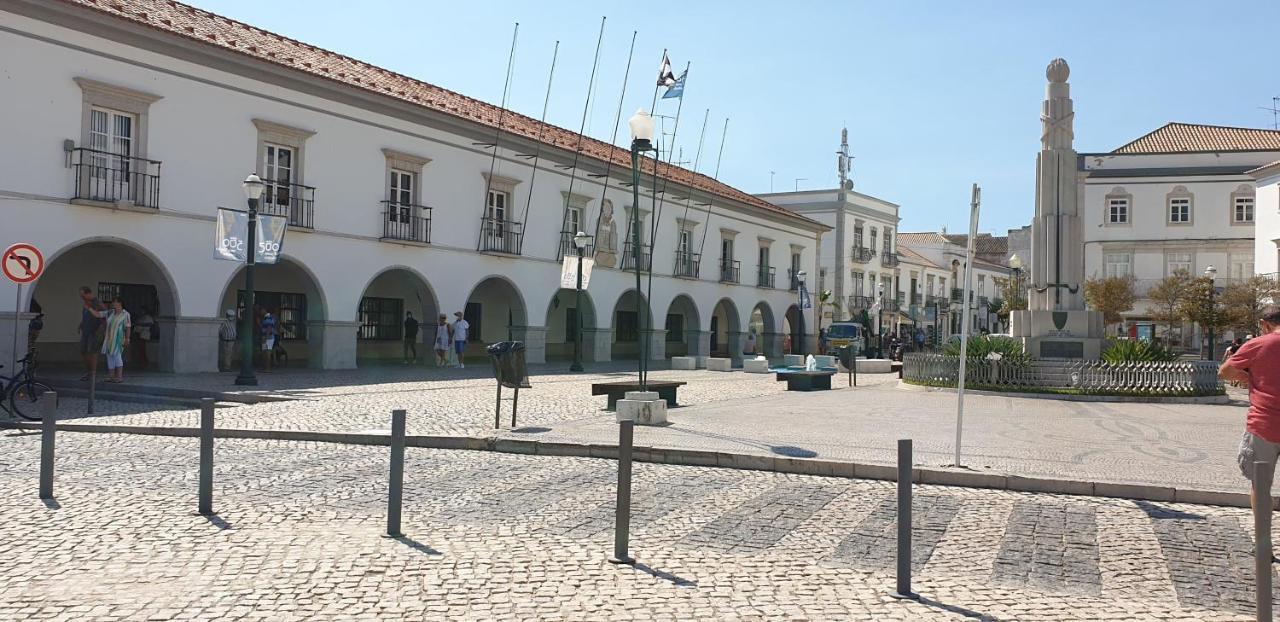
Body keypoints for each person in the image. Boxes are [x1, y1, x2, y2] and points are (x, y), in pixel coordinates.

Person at [1220, 305, 1280, 517]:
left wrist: (1250, 378)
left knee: (1261, 487)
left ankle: (1263, 546)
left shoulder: (1258, 344)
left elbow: (1225, 371)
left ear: (1264, 324)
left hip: (1264, 425)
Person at [90, 299, 131, 383]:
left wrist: (127, 338)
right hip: (108, 339)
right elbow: (98, 315)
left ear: (120, 303)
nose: (113, 304)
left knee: (117, 356)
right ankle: (111, 376)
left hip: (118, 339)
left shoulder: (125, 314)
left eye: (115, 302)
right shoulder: (110, 313)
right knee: (110, 357)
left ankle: (119, 377)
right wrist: (90, 308)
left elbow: (128, 326)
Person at [77, 286, 104, 381]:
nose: (82, 298)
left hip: (94, 331)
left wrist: (101, 328)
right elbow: (86, 315)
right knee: (83, 350)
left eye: (83, 295)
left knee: (93, 352)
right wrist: (81, 324)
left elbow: (103, 315)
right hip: (86, 330)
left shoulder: (97, 303)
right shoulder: (85, 304)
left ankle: (93, 373)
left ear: (88, 293)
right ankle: (89, 371)